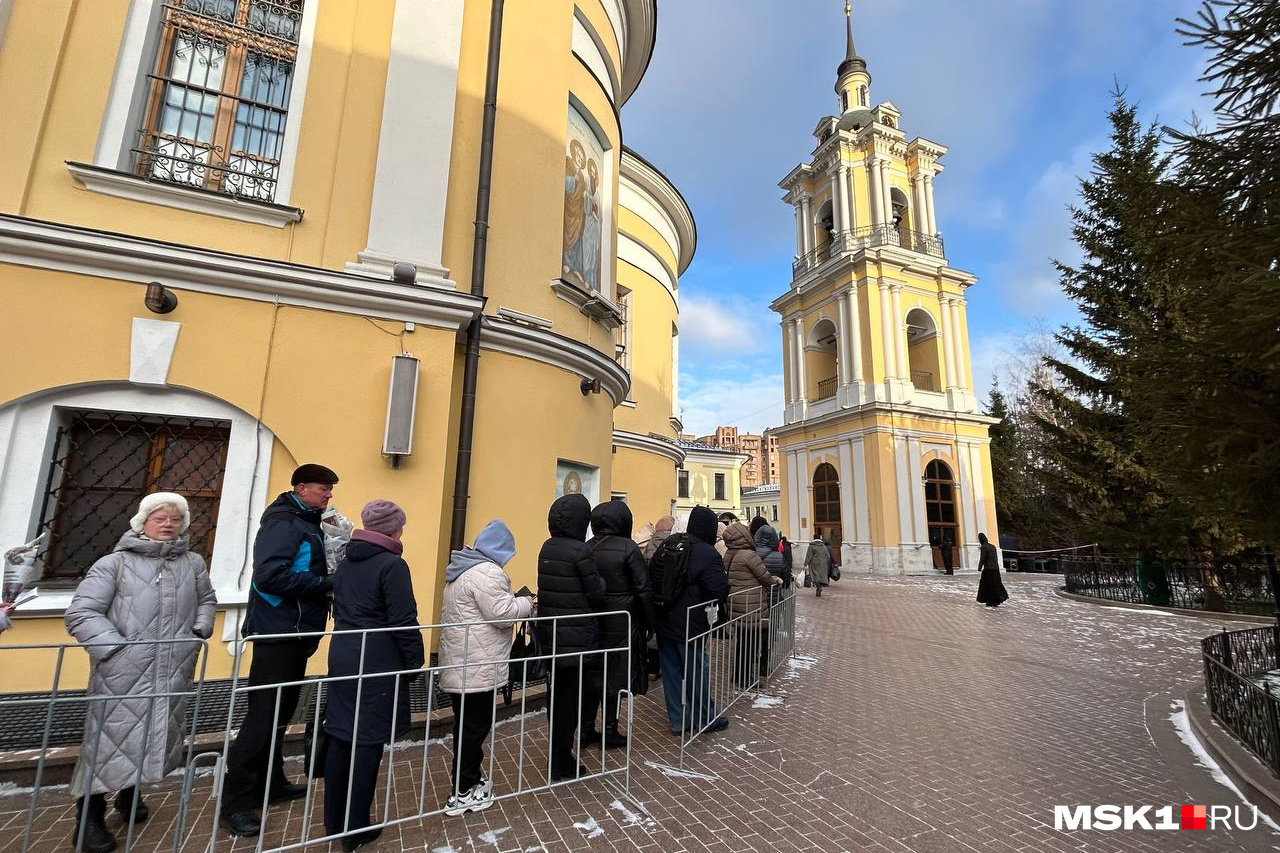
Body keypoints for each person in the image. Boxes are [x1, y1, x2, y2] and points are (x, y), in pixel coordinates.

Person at [65, 493, 216, 853]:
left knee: (153, 732)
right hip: (122, 672)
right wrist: (116, 650)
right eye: (160, 518)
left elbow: (207, 600)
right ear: (142, 522)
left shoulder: (192, 563)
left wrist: (198, 632)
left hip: (173, 668)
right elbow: (82, 613)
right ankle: (88, 820)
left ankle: (130, 797)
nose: (168, 524)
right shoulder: (114, 564)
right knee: (107, 742)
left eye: (175, 519)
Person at [221, 464, 339, 837]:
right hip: (278, 632)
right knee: (263, 717)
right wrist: (326, 584)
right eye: (324, 488)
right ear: (301, 488)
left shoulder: (307, 522)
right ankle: (236, 802)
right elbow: (270, 576)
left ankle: (270, 783)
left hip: (295, 630)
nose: (329, 495)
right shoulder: (285, 523)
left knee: (280, 712)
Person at [323, 500, 424, 852]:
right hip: (377, 658)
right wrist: (415, 660)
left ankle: (334, 821)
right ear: (394, 530)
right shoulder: (392, 565)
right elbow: (402, 618)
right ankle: (356, 827)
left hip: (343, 653)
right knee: (367, 741)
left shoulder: (348, 560)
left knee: (340, 735)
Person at [438, 519, 533, 816]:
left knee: (467, 725)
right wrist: (526, 602)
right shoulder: (487, 572)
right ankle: (463, 791)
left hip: (462, 661)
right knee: (474, 728)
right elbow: (502, 614)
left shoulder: (462, 569)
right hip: (476, 665)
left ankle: (469, 781)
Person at [535, 494, 607, 781]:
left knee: (558, 696)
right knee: (571, 699)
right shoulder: (581, 551)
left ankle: (558, 752)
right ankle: (562, 759)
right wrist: (601, 579)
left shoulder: (547, 547)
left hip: (554, 636)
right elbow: (596, 592)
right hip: (577, 637)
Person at [585, 500, 656, 749]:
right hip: (622, 621)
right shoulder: (628, 547)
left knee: (593, 674)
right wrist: (650, 622)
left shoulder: (587, 547)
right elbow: (643, 588)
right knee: (614, 677)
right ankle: (609, 730)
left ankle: (585, 729)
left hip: (593, 621)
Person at [655, 505, 730, 735]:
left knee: (671, 672)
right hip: (691, 623)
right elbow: (718, 589)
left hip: (663, 619)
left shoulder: (669, 543)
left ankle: (678, 721)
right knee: (697, 670)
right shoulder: (707, 553)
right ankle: (705, 717)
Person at [723, 523, 781, 687]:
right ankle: (744, 678)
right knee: (750, 644)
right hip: (751, 605)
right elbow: (764, 577)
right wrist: (774, 580)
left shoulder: (729, 553)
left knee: (742, 642)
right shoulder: (748, 555)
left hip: (736, 604)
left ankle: (738, 675)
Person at [975, 533, 1009, 607]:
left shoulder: (984, 547)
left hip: (988, 569)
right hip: (995, 568)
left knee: (988, 585)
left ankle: (990, 600)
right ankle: (997, 599)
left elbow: (983, 558)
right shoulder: (993, 546)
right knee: (996, 584)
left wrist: (979, 567)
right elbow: (995, 558)